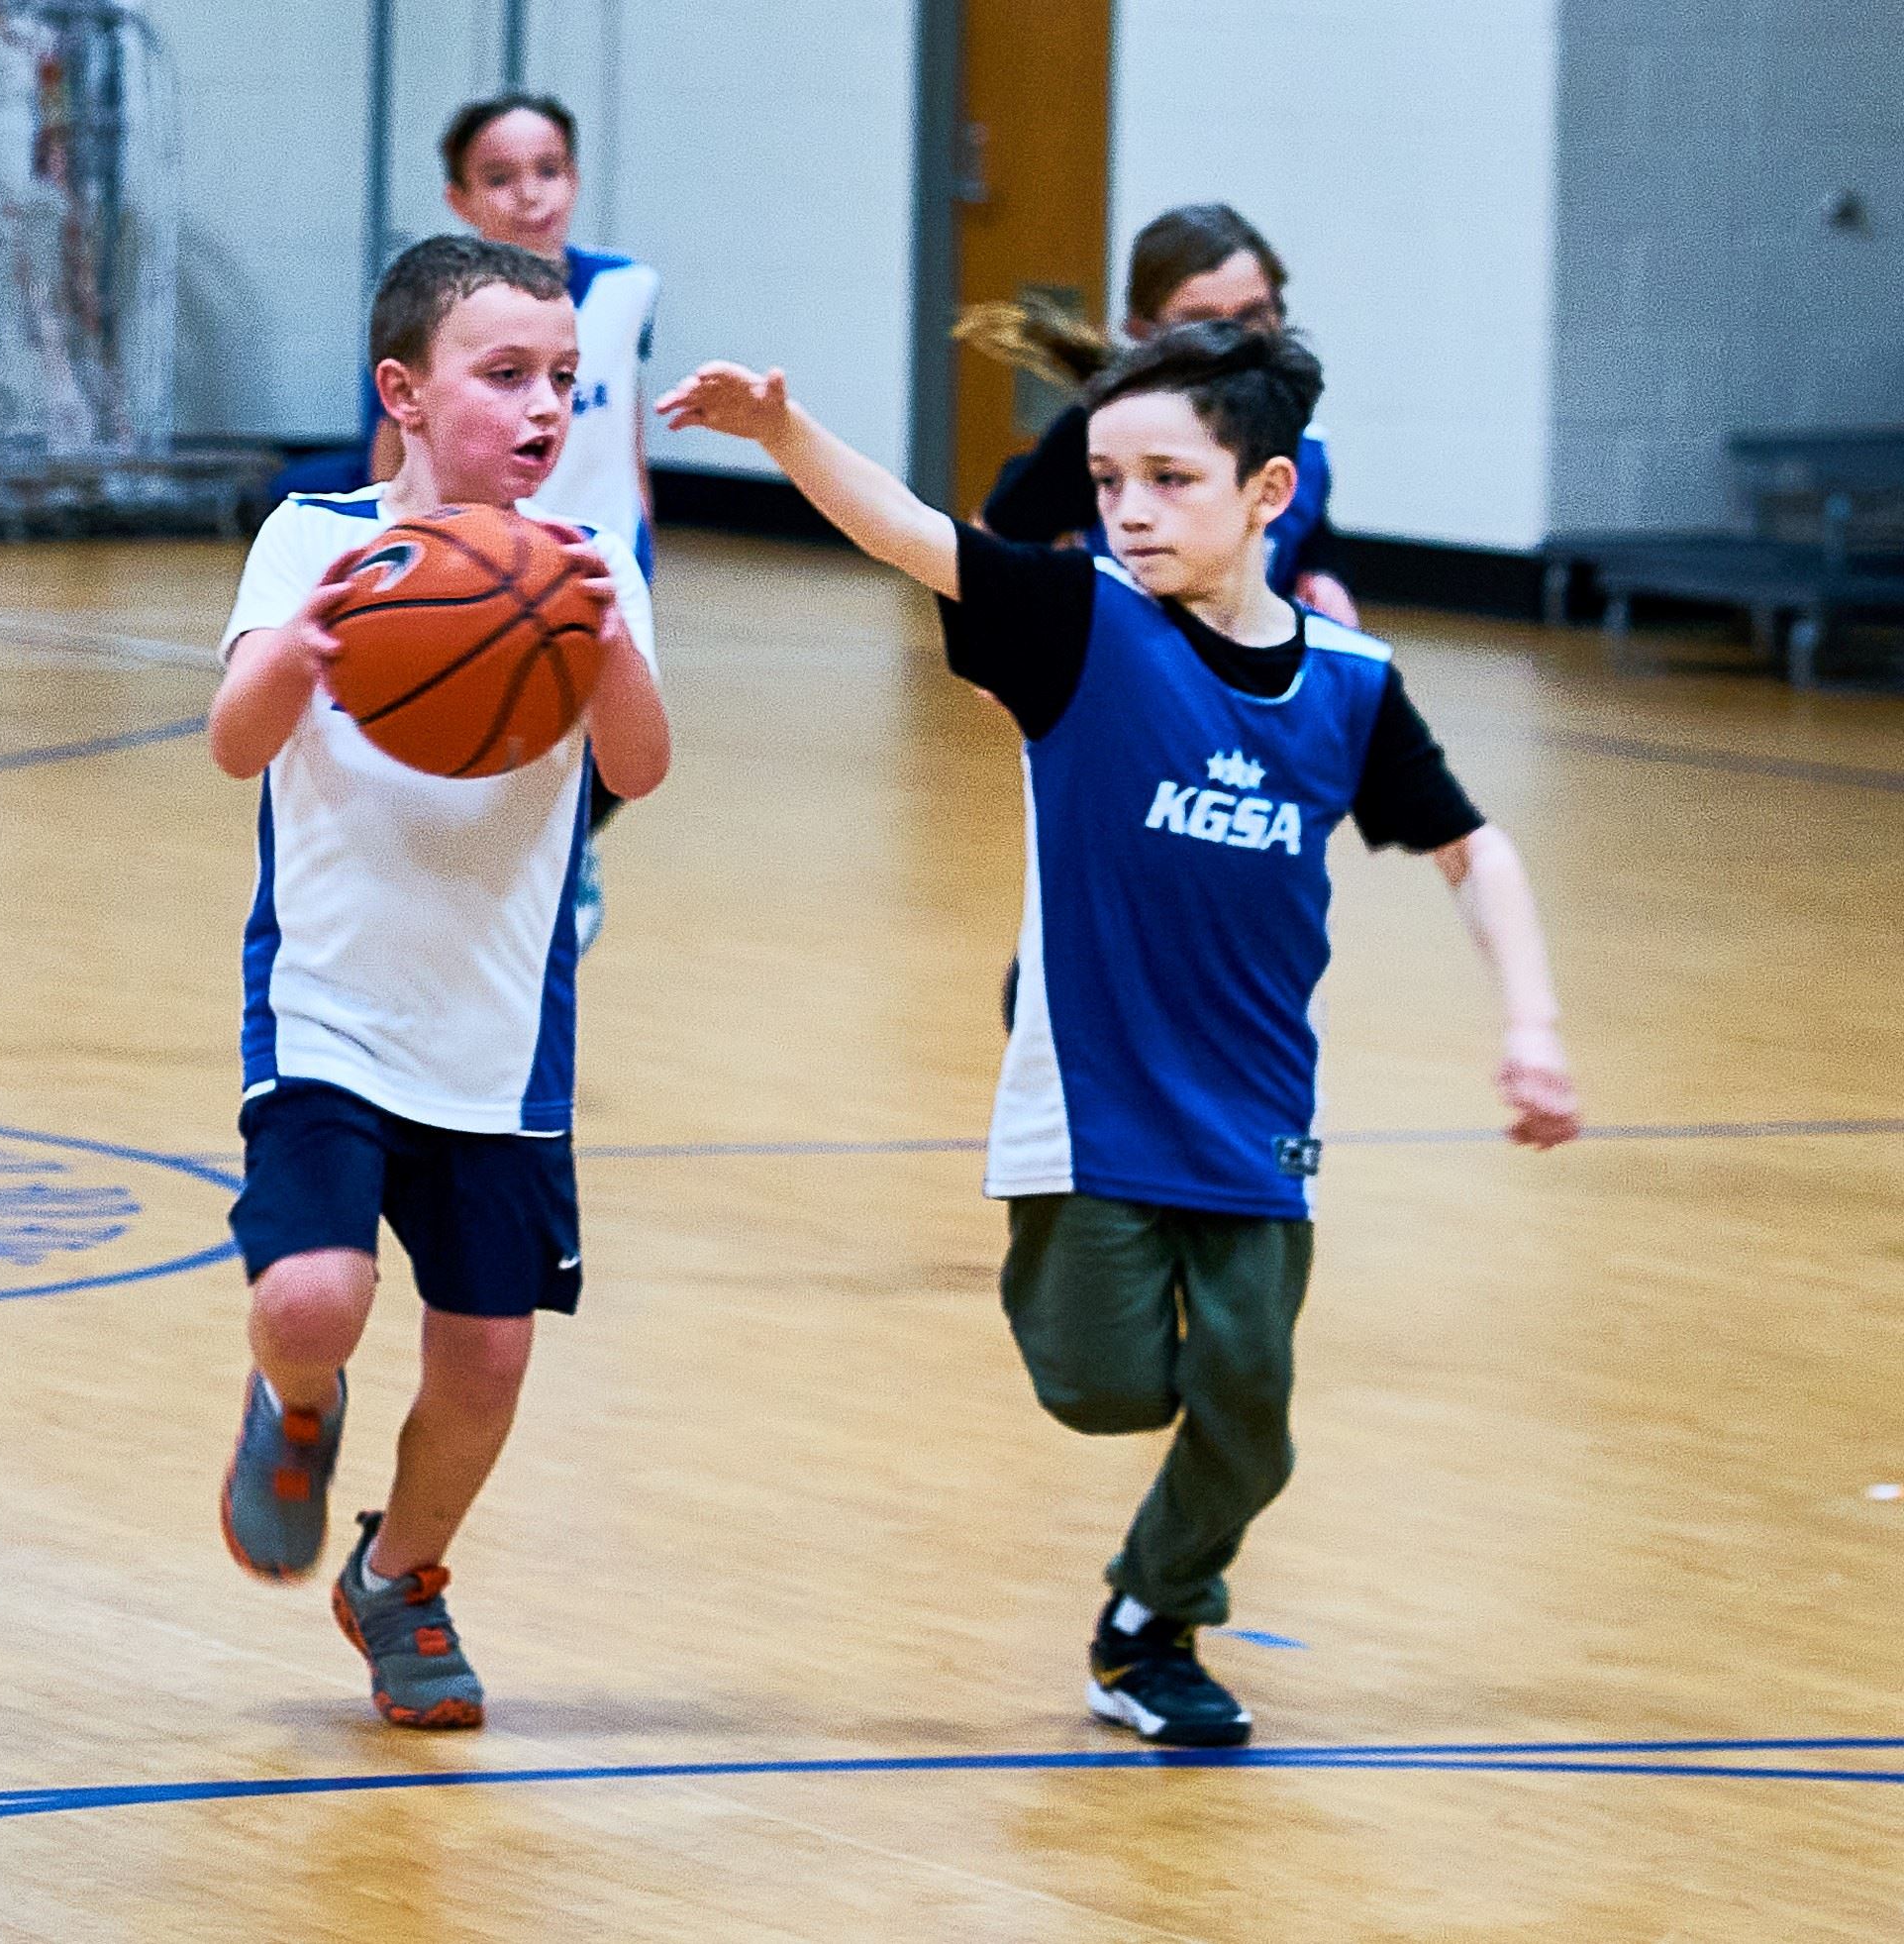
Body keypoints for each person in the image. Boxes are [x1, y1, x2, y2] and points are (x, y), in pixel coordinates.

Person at [656, 324, 1580, 1747]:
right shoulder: (1080, 621)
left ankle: (1152, 1619)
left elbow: (1475, 850)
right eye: (1108, 479)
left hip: (1256, 1106)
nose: (1130, 508)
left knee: (1250, 1405)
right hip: (1088, 1097)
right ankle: (1131, 1479)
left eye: (1169, 478)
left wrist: (1532, 1024)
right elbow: (912, 533)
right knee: (1103, 1388)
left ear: (1269, 492)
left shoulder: (1349, 681)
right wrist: (784, 434)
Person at [211, 234, 670, 1729]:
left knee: (485, 1355)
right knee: (314, 1292)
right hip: (332, 1012)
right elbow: (233, 738)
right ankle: (294, 1404)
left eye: (564, 381)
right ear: (404, 390)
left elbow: (640, 767)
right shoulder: (312, 536)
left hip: (498, 1046)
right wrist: (310, 639)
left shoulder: (588, 567)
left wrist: (600, 641)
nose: (545, 407)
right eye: (508, 376)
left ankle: (400, 1575)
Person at [380, 91, 662, 952]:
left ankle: (568, 854)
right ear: (459, 200)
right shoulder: (429, 317)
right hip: (473, 567)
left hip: (590, 563)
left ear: (575, 180)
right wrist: (389, 555)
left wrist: (647, 542)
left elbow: (628, 431)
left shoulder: (625, 288)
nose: (530, 194)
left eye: (548, 171)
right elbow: (393, 453)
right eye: (499, 178)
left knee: (607, 752)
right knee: (483, 732)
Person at [967, 201, 1357, 628]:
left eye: (1253, 318)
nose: (1234, 346)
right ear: (1143, 332)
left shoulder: (1293, 423)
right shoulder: (1101, 434)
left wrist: (1324, 573)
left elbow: (1306, 525)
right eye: (1201, 325)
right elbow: (990, 546)